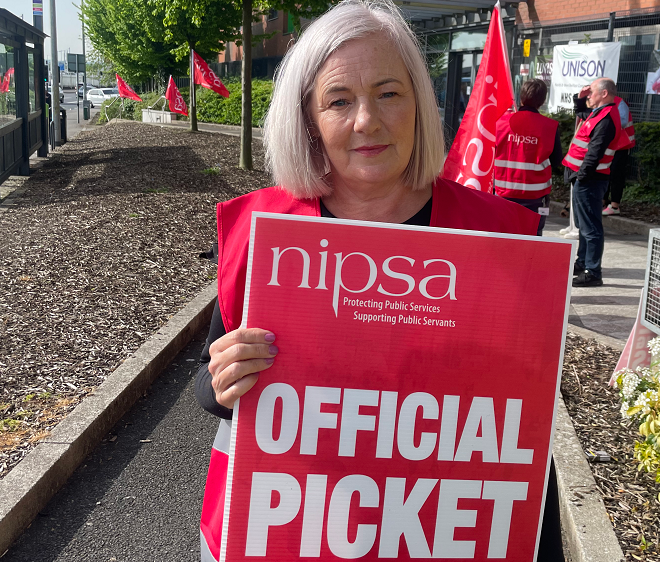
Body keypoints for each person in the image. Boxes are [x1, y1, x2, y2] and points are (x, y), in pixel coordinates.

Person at [195, 2, 563, 560]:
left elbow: (519, 431)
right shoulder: (264, 232)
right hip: (289, 529)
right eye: (339, 101)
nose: (367, 119)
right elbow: (208, 380)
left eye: (389, 93)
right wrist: (223, 383)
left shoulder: (501, 239)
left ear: (419, 102)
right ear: (309, 120)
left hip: (445, 534)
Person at [563, 77, 622, 288]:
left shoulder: (606, 119)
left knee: (590, 228)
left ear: (604, 93)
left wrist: (581, 176)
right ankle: (582, 263)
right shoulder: (600, 114)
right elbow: (583, 116)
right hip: (587, 177)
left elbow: (594, 152)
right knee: (585, 226)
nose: (589, 95)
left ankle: (593, 272)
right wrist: (579, 100)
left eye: (592, 92)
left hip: (590, 179)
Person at [493, 78, 562, 235]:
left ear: (521, 97)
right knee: (532, 238)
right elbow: (557, 160)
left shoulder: (500, 123)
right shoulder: (550, 126)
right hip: (536, 197)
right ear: (543, 100)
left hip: (503, 193)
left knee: (502, 236)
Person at [603, 95, 636, 216]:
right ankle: (603, 201)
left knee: (616, 175)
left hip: (620, 146)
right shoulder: (605, 103)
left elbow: (621, 122)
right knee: (604, 172)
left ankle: (615, 205)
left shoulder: (619, 103)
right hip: (609, 145)